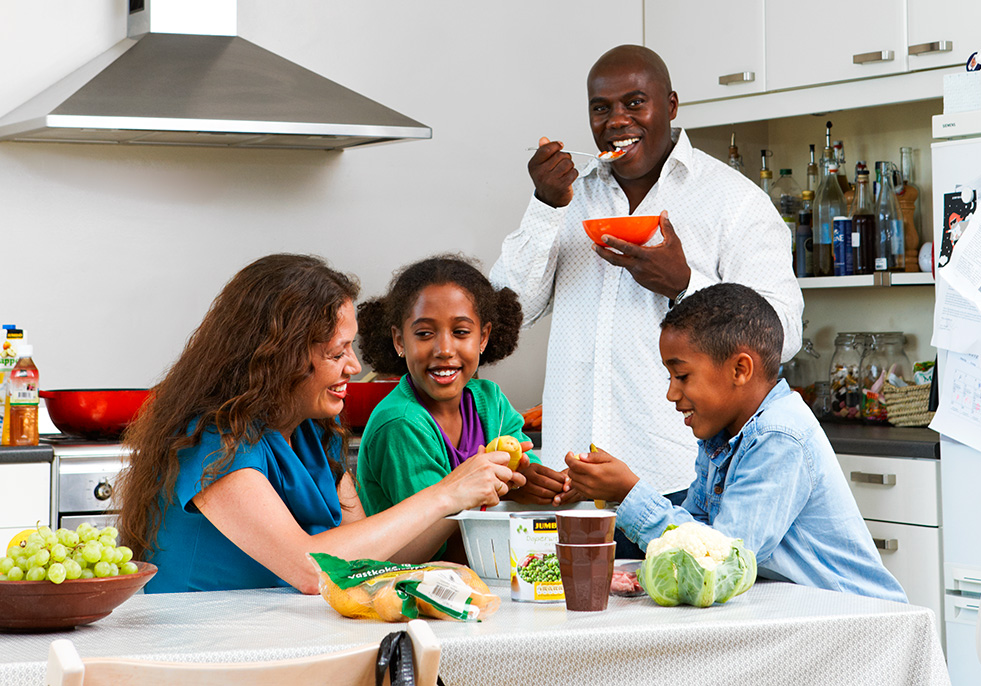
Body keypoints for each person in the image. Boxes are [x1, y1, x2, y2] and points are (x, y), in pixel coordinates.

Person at [489, 45, 804, 543]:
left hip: (677, 487)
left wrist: (686, 286)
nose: (617, 120)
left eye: (635, 103)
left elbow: (781, 335)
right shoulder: (567, 196)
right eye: (601, 108)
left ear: (672, 105)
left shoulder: (735, 202)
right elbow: (504, 318)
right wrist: (545, 206)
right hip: (570, 488)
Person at [119, 254, 522, 594]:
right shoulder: (212, 441)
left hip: (284, 642)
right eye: (337, 352)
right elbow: (311, 570)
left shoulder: (314, 433)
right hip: (202, 656)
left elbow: (368, 560)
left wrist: (464, 501)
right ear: (278, 356)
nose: (355, 366)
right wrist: (446, 494)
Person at [565, 283, 906, 602]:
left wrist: (628, 494)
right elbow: (699, 531)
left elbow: (720, 561)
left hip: (855, 620)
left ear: (740, 369)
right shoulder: (722, 435)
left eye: (682, 376)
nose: (671, 393)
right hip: (798, 612)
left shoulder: (779, 436)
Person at [356, 255, 569, 560]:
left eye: (461, 332)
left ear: (483, 337)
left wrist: (547, 484)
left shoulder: (490, 401)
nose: (444, 349)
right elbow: (434, 545)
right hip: (416, 584)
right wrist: (503, 490)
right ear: (399, 340)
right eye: (425, 333)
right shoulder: (401, 423)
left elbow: (523, 472)